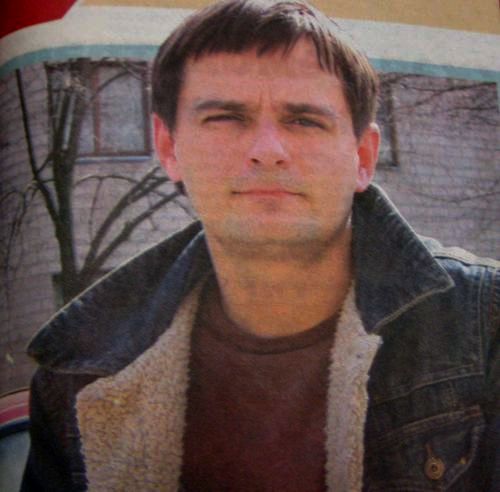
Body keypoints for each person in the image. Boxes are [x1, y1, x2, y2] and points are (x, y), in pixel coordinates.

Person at [21, 0, 499, 490]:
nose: (267, 151)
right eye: (226, 117)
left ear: (362, 157)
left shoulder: (484, 326)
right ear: (169, 147)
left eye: (304, 120)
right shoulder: (78, 371)